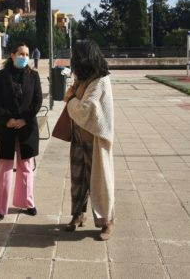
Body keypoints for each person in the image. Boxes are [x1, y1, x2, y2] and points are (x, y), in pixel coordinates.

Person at [64, 40, 115, 240]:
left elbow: (88, 109)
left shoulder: (101, 80)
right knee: (78, 179)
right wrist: (72, 98)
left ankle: (107, 222)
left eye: (76, 55)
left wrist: (70, 101)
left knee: (100, 181)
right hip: (78, 136)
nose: (73, 59)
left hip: (95, 139)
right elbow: (74, 97)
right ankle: (78, 215)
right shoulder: (82, 78)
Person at [0, 42, 43, 222]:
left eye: (27, 54)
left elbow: (37, 101)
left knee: (26, 166)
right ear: (12, 55)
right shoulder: (0, 76)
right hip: (6, 128)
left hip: (27, 127)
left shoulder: (34, 76)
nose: (24, 57)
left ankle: (26, 202)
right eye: (21, 53)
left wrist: (23, 119)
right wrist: (8, 120)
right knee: (4, 167)